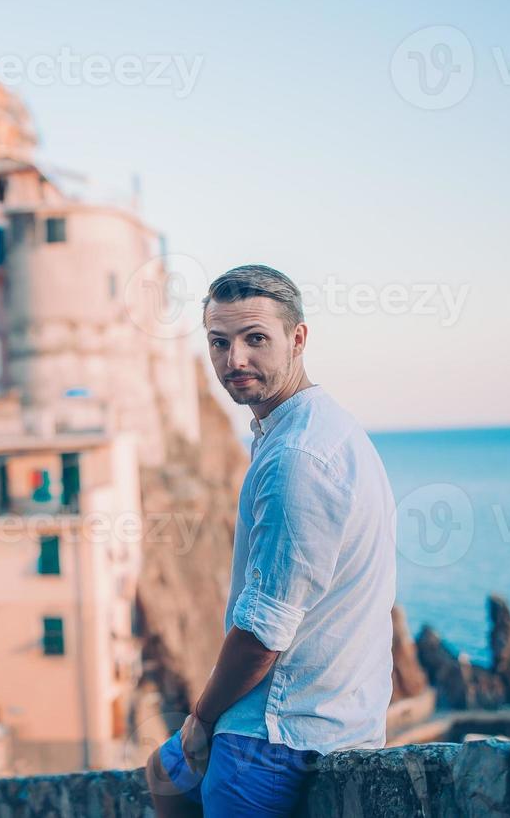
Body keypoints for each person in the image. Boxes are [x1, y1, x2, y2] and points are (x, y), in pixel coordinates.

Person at [146, 264, 397, 817]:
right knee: (164, 772)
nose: (234, 360)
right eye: (220, 342)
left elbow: (262, 634)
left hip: (277, 736)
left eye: (255, 338)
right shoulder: (310, 428)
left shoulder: (297, 458)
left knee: (177, 763)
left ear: (298, 339)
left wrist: (202, 720)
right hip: (320, 710)